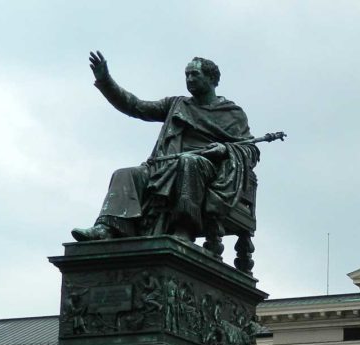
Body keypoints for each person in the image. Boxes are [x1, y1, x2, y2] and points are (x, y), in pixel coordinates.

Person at [73, 52, 259, 254]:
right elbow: (135, 106)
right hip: (165, 165)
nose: (189, 79)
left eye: (195, 74)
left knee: (189, 162)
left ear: (212, 79)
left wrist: (224, 149)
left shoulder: (232, 113)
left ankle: (184, 229)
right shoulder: (177, 104)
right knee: (125, 173)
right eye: (187, 75)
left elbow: (250, 149)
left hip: (208, 170)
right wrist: (105, 81)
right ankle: (109, 228)